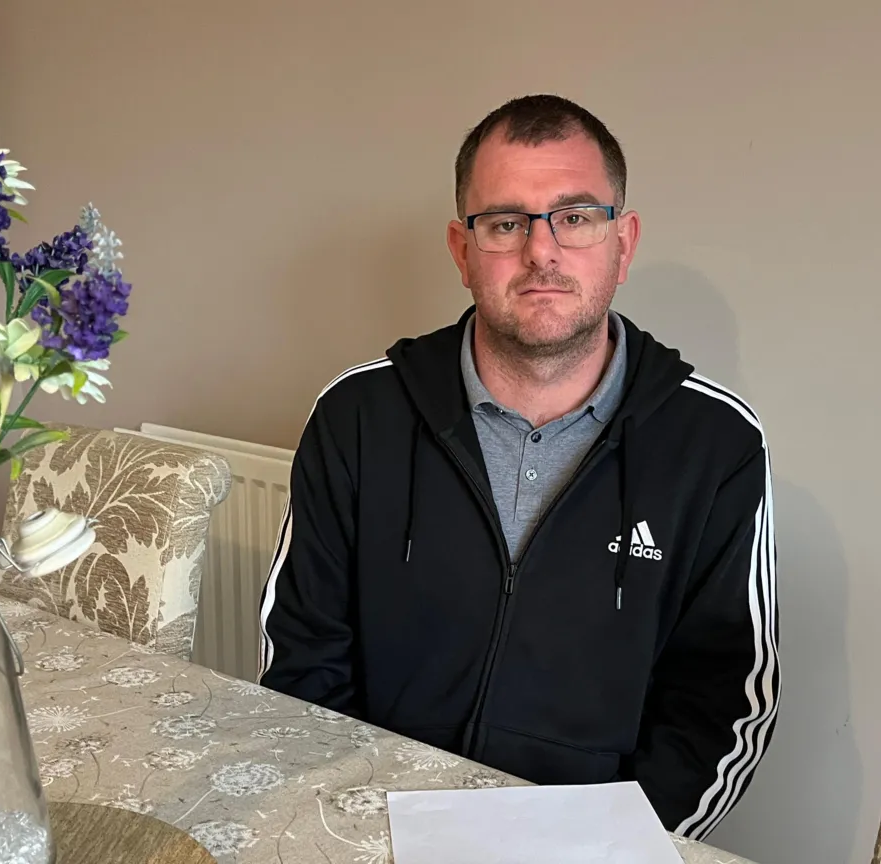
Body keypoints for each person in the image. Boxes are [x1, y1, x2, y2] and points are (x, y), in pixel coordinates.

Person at [258, 94, 778, 840]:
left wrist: (605, 844)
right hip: (379, 823)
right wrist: (365, 826)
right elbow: (302, 662)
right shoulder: (358, 416)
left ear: (622, 244)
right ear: (462, 249)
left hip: (593, 844)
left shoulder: (716, 443)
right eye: (505, 223)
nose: (542, 251)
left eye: (575, 217)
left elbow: (725, 702)